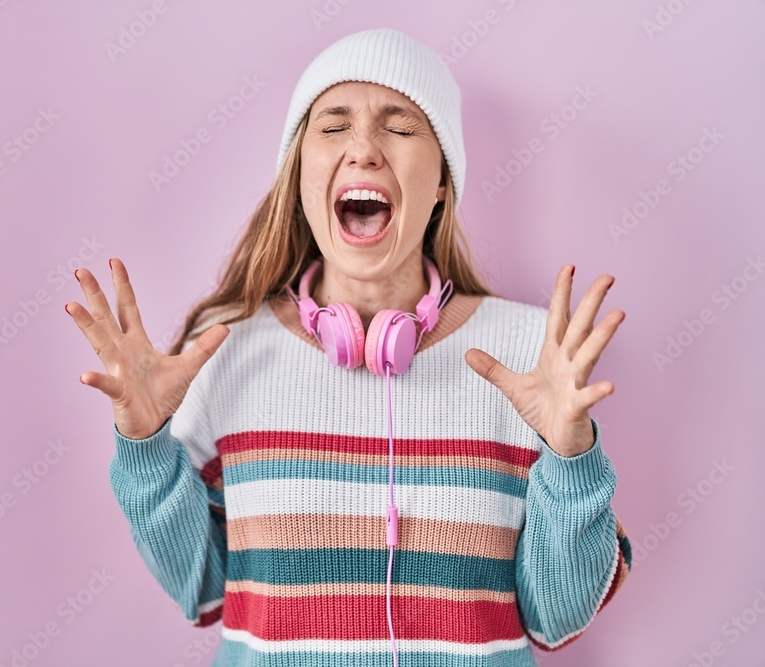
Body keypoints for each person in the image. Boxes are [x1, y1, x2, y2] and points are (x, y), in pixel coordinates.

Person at [66, 27, 631, 667]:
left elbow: (557, 619)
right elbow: (198, 593)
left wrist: (571, 458)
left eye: (400, 126)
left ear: (443, 180)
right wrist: (144, 448)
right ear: (301, 176)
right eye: (333, 127)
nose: (363, 149)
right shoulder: (221, 351)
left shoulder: (532, 352)